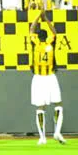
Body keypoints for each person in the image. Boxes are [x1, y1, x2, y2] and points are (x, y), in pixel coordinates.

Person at [29, 11, 65, 145]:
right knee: (58, 105)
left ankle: (42, 137)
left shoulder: (35, 43)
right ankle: (57, 132)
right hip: (50, 77)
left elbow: (31, 29)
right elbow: (54, 32)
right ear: (46, 36)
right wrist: (46, 19)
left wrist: (38, 16)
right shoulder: (50, 43)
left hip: (38, 78)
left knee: (40, 108)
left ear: (38, 37)